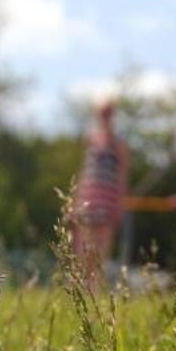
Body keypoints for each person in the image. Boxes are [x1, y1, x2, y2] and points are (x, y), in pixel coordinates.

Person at [68, 98, 128, 287]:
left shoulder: (119, 144)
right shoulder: (90, 139)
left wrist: (119, 204)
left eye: (108, 113)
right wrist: (74, 201)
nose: (105, 117)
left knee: (100, 250)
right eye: (103, 113)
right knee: (82, 247)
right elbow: (82, 170)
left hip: (107, 200)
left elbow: (122, 175)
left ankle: (93, 290)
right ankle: (79, 289)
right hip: (88, 197)